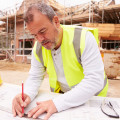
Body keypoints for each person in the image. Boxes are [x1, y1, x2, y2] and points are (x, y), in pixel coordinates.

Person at [12, 3, 108, 120]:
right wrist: (26, 94)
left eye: (42, 31)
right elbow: (35, 77)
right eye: (35, 35)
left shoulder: (83, 38)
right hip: (64, 98)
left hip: (93, 99)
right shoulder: (38, 48)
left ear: (56, 21)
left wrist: (56, 103)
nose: (40, 39)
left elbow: (94, 80)